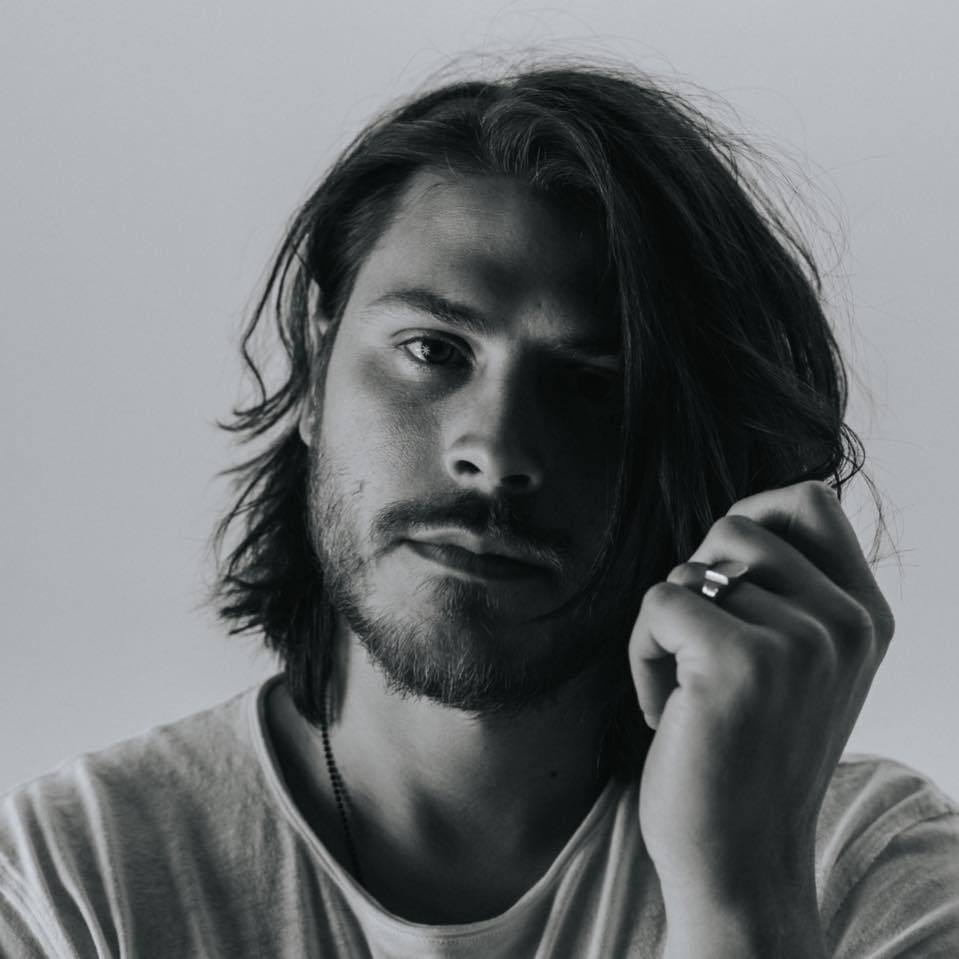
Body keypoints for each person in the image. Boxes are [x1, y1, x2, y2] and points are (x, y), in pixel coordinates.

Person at [2, 59, 958, 959]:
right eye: (432, 350)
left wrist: (741, 894)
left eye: (592, 382)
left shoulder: (864, 868)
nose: (495, 452)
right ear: (315, 370)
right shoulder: (70, 878)